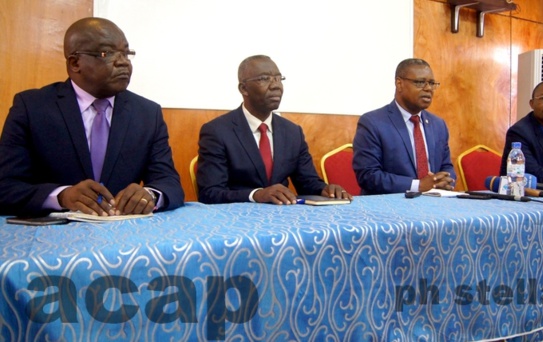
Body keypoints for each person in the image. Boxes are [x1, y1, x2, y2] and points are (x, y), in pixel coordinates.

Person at [0, 17, 184, 217]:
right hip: (53, 237)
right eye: (107, 53)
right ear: (75, 63)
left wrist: (149, 195)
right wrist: (61, 196)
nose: (122, 62)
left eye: (125, 53)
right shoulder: (32, 108)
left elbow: (169, 184)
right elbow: (6, 187)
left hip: (123, 236)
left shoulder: (148, 114)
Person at [196, 55, 353, 205]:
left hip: (281, 220)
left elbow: (307, 183)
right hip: (234, 222)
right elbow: (210, 193)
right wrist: (256, 195)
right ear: (244, 88)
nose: (276, 85)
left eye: (278, 78)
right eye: (265, 79)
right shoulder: (217, 131)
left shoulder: (293, 132)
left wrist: (326, 190)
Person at [352, 58, 456, 195]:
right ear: (399, 84)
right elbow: (369, 176)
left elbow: (446, 166)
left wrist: (445, 181)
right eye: (420, 82)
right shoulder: (373, 122)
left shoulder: (438, 125)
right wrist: (418, 185)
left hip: (434, 204)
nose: (428, 88)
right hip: (389, 208)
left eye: (431, 83)